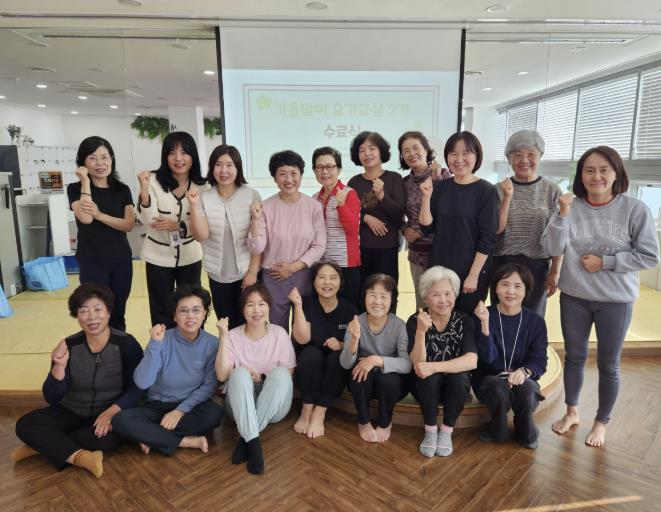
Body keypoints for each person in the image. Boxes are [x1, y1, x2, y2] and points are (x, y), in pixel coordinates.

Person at [542, 146, 660, 447]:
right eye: (590, 170)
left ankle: (601, 422)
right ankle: (571, 412)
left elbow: (650, 256)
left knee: (609, 364)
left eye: (604, 170)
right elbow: (552, 247)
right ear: (581, 176)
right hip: (575, 296)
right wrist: (562, 215)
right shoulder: (570, 207)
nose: (597, 176)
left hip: (616, 300)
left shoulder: (635, 209)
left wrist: (606, 262)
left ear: (616, 173)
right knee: (574, 357)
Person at [12, 283, 143, 478]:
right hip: (71, 409)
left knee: (106, 441)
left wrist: (112, 411)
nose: (91, 317)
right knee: (25, 424)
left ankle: (41, 446)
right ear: (77, 316)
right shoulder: (69, 345)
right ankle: (83, 458)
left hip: (108, 410)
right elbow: (52, 398)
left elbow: (138, 387)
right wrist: (58, 366)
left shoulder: (127, 343)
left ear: (108, 312)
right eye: (84, 311)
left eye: (98, 309)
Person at [112, 284, 223, 456]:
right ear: (174, 316)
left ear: (204, 314)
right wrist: (155, 344)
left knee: (214, 414)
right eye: (183, 311)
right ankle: (184, 441)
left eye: (196, 310)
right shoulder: (161, 340)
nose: (190, 316)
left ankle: (151, 436)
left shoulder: (212, 344)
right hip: (156, 405)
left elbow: (209, 386)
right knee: (121, 420)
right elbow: (142, 382)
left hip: (190, 405)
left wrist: (180, 411)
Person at [215, 283, 296, 475]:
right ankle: (254, 446)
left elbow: (290, 372)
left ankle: (247, 440)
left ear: (269, 307)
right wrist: (223, 337)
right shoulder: (233, 336)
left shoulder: (279, 333)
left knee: (282, 373)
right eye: (250, 305)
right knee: (239, 373)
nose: (256, 310)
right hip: (240, 404)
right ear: (243, 309)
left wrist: (263, 377)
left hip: (274, 406)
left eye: (261, 304)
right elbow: (222, 375)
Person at [419, 131, 499, 315]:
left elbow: (487, 239)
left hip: (470, 271)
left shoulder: (486, 191)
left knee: (468, 321)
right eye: (453, 153)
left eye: (466, 153)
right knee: (439, 319)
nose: (459, 159)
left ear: (476, 156)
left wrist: (473, 276)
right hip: (439, 268)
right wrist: (426, 197)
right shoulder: (440, 187)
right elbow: (426, 227)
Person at [247, 150, 326, 331]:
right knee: (277, 328)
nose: (289, 179)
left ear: (301, 175)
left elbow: (319, 245)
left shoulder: (314, 206)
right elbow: (257, 247)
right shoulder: (265, 207)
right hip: (274, 276)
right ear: (275, 178)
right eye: (282, 174)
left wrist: (294, 267)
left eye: (293, 173)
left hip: (304, 274)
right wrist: (255, 220)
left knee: (303, 328)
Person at [472, 264, 548, 449]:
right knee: (498, 388)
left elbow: (539, 360)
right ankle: (497, 429)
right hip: (489, 379)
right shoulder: (483, 316)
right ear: (496, 288)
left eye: (517, 286)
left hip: (522, 379)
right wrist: (485, 325)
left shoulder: (536, 322)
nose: (511, 291)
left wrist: (524, 372)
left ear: (526, 291)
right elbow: (487, 359)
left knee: (528, 389)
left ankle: (526, 432)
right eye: (505, 284)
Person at [137, 131, 207, 328]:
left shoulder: (203, 186)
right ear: (165, 156)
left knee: (192, 305)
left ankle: (194, 343)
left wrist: (178, 226)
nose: (178, 158)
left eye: (184, 153)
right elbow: (148, 219)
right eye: (172, 153)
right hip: (157, 256)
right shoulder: (151, 180)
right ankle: (163, 344)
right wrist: (144, 190)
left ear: (193, 156)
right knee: (160, 308)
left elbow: (205, 224)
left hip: (190, 255)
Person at [188, 144, 262, 329]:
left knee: (251, 324)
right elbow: (201, 235)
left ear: (238, 168)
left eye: (229, 165)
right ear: (212, 168)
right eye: (218, 165)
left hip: (246, 274)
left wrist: (253, 272)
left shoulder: (251, 195)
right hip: (218, 275)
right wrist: (194, 206)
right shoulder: (204, 197)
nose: (223, 171)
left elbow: (258, 239)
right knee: (226, 325)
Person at [407, 266, 477, 458]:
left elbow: (471, 360)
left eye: (448, 293)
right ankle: (430, 430)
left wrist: (435, 366)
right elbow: (418, 365)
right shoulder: (415, 320)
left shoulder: (464, 320)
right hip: (425, 388)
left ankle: (446, 431)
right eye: (436, 294)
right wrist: (421, 332)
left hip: (455, 390)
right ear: (425, 297)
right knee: (428, 378)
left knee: (459, 378)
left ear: (455, 294)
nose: (443, 300)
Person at [67, 136, 134, 331]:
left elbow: (128, 224)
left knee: (118, 312)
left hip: (121, 260)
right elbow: (86, 218)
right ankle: (97, 349)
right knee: (95, 314)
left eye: (105, 157)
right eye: (92, 158)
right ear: (83, 163)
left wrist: (100, 215)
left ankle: (118, 348)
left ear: (112, 159)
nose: (100, 163)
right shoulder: (75, 189)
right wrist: (85, 182)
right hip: (92, 262)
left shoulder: (122, 190)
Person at [493, 129, 563, 317]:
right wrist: (507, 198)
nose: (524, 160)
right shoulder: (498, 189)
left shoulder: (552, 191)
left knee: (532, 320)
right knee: (500, 319)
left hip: (537, 266)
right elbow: (494, 229)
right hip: (502, 264)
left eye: (531, 154)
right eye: (517, 155)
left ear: (540, 156)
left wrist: (555, 270)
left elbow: (560, 235)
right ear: (509, 159)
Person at [290, 261, 359, 438]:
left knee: (337, 358)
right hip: (310, 357)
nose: (327, 282)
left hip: (334, 362)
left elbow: (354, 345)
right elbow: (302, 338)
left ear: (340, 283)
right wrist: (297, 306)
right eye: (322, 277)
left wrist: (341, 344)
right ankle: (306, 409)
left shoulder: (350, 309)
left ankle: (320, 412)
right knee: (311, 355)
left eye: (333, 278)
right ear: (314, 282)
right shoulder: (305, 303)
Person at [340, 274, 411, 443]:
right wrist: (354, 339)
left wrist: (374, 360)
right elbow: (345, 364)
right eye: (372, 295)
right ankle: (363, 421)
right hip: (365, 384)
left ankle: (385, 422)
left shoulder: (399, 325)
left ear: (392, 300)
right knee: (358, 374)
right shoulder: (356, 323)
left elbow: (407, 364)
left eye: (383, 296)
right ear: (364, 297)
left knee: (388, 379)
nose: (377, 301)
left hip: (390, 387)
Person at [398, 131, 451, 308]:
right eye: (406, 151)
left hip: (442, 251)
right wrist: (405, 229)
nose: (411, 154)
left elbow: (449, 212)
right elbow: (397, 215)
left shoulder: (443, 175)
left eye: (416, 148)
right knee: (422, 303)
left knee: (443, 302)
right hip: (417, 252)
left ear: (427, 150)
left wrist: (437, 179)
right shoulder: (404, 183)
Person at [347, 131, 406, 285]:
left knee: (387, 290)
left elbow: (399, 213)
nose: (367, 153)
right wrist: (365, 218)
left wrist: (382, 196)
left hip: (387, 247)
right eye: (362, 150)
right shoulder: (354, 182)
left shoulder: (394, 178)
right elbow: (348, 215)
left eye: (372, 148)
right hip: (360, 249)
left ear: (381, 151)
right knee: (363, 291)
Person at [311, 146, 362, 306]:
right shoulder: (314, 198)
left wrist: (341, 205)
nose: (325, 171)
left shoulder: (349, 193)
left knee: (348, 309)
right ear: (314, 171)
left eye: (330, 167)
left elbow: (352, 229)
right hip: (321, 265)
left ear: (338, 169)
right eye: (320, 167)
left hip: (345, 264)